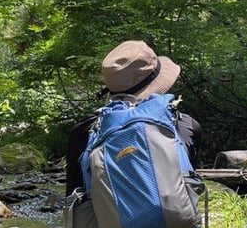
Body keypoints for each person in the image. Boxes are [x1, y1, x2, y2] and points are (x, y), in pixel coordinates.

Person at [65, 40, 201, 195]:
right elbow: (190, 189)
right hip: (175, 211)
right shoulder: (187, 125)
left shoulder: (82, 132)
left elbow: (73, 199)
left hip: (104, 212)